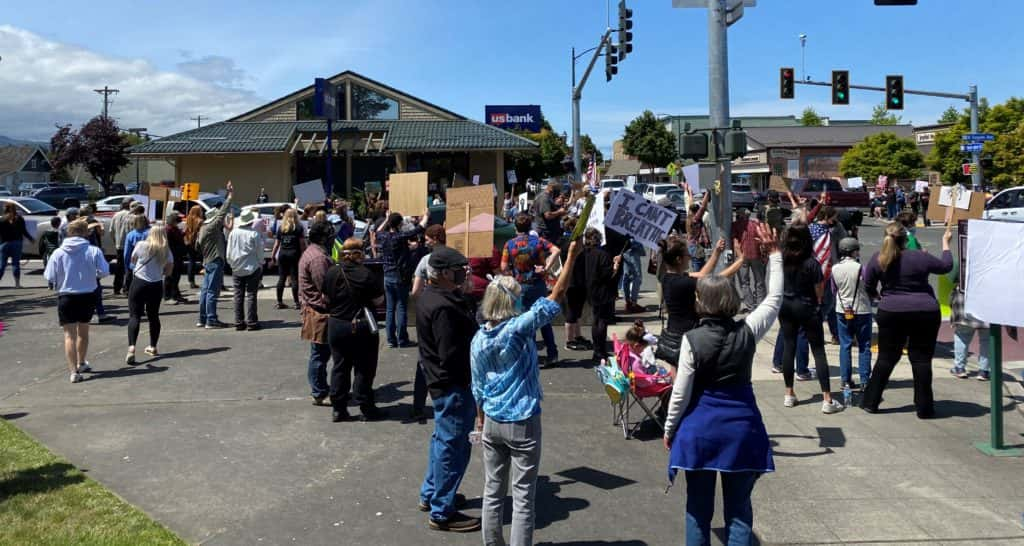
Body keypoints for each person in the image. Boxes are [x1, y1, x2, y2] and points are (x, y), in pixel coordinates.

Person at [662, 223, 781, 546]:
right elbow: (774, 298)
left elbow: (681, 393)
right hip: (742, 429)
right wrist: (776, 256)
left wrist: (670, 428)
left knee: (698, 510)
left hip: (700, 429)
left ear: (702, 303)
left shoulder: (692, 339)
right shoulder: (747, 331)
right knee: (739, 510)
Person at [471, 240, 581, 546]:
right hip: (522, 420)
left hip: (491, 420)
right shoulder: (518, 329)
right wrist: (570, 257)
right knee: (522, 497)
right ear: (510, 304)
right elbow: (555, 296)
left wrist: (480, 422)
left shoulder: (478, 339)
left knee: (493, 492)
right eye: (518, 299)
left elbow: (477, 387)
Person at [416, 246, 480, 532]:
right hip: (452, 384)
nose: (462, 274)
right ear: (441, 273)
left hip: (441, 382)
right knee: (453, 447)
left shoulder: (435, 296)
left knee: (442, 442)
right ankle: (442, 510)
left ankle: (432, 494)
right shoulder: (443, 305)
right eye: (457, 270)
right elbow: (452, 354)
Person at [861, 223, 954, 418]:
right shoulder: (920, 256)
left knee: (886, 357)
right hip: (925, 310)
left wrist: (878, 297)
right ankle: (924, 407)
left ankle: (871, 402)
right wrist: (945, 243)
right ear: (906, 239)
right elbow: (946, 266)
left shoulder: (879, 258)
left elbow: (868, 284)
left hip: (892, 310)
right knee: (921, 359)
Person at [779, 225, 843, 413]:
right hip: (806, 305)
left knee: (789, 347)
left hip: (787, 303)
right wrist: (819, 303)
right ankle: (827, 398)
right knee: (818, 351)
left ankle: (789, 393)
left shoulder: (783, 258)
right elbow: (819, 289)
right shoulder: (811, 262)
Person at [323, 237, 385, 422]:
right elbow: (378, 301)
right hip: (361, 325)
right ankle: (366, 407)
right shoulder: (366, 274)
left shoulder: (332, 272)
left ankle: (338, 408)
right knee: (364, 367)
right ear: (360, 253)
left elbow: (325, 298)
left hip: (337, 324)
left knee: (339, 366)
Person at [44, 219, 110, 383]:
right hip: (87, 294)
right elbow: (104, 271)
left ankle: (73, 371)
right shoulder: (93, 250)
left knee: (69, 335)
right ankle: (81, 362)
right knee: (84, 333)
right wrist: (92, 275)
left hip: (66, 295)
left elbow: (49, 276)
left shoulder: (58, 252)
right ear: (85, 233)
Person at [500, 213, 561, 366]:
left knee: (525, 320)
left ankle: (530, 354)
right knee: (543, 318)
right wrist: (546, 267)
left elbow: (503, 267)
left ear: (516, 227)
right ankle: (552, 353)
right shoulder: (539, 241)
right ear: (530, 227)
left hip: (520, 285)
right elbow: (556, 250)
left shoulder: (509, 244)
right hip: (538, 283)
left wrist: (511, 275)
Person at [376, 210, 429, 348]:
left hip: (387, 275)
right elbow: (420, 228)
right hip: (400, 276)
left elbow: (377, 230)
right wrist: (426, 216)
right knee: (401, 307)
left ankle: (390, 340)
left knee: (390, 309)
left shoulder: (384, 236)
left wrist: (386, 219)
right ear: (399, 224)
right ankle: (402, 339)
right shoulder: (400, 236)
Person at [299, 221, 336, 406]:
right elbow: (326, 287)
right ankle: (319, 391)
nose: (333, 238)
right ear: (322, 237)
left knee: (320, 354)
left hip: (316, 309)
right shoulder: (318, 258)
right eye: (330, 235)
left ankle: (321, 388)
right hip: (319, 312)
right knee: (319, 355)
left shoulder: (314, 252)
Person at [126, 224, 174, 365]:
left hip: (139, 282)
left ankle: (131, 347)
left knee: (135, 315)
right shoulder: (166, 250)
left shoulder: (141, 245)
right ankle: (153, 346)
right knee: (153, 316)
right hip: (156, 284)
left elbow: (133, 261)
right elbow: (169, 271)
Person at [832, 237, 872, 390]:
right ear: (853, 251)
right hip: (861, 309)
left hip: (842, 309)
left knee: (845, 345)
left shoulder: (835, 268)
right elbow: (869, 286)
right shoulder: (861, 268)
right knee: (864, 345)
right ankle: (864, 380)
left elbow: (834, 289)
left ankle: (845, 380)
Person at [580, 227, 621, 361]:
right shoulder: (602, 254)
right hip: (603, 291)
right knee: (602, 321)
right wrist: (615, 265)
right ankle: (600, 350)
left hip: (590, 289)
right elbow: (608, 274)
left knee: (596, 319)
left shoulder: (585, 253)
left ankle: (597, 350)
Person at [196, 182, 234, 329]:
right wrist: (230, 196)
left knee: (205, 291)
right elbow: (222, 213)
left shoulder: (203, 228)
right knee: (212, 291)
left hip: (207, 260)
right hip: (215, 260)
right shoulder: (212, 227)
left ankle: (203, 317)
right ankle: (211, 319)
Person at [810, 206, 848, 344]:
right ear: (827, 217)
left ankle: (837, 334)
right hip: (823, 271)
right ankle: (814, 330)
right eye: (834, 217)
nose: (836, 220)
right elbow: (844, 242)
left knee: (831, 304)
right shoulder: (828, 231)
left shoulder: (814, 229)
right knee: (827, 304)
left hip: (820, 270)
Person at [949, 258, 989, 380]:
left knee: (962, 336)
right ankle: (984, 370)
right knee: (986, 339)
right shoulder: (991, 258)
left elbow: (953, 277)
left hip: (964, 300)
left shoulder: (964, 258)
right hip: (987, 301)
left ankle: (960, 368)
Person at [226, 209, 265, 331]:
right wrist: (261, 262)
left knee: (238, 295)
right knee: (251, 295)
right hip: (252, 266)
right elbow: (260, 251)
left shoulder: (233, 233)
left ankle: (239, 321)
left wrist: (231, 263)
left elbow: (229, 251)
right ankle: (252, 322)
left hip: (237, 267)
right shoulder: (254, 234)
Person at [732, 208, 765, 311]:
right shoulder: (756, 224)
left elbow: (735, 243)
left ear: (740, 215)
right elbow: (761, 240)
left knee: (744, 282)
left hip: (742, 256)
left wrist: (739, 256)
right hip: (756, 255)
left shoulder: (735, 225)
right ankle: (760, 305)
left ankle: (751, 306)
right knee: (759, 281)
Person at [271, 208, 304, 310]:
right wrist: (304, 254)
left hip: (283, 254)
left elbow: (277, 244)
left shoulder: (281, 228)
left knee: (282, 277)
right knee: (294, 278)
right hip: (294, 253)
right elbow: (301, 243)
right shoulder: (298, 228)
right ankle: (296, 302)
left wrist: (273, 255)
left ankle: (279, 301)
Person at [0, 202, 34, 288]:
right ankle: (17, 284)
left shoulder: (2, 219)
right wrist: (31, 239)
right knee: (15, 264)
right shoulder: (19, 219)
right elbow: (24, 231)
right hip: (17, 243)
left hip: (4, 243)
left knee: (2, 264)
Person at [683, 186, 710, 271]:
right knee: (698, 268)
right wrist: (707, 192)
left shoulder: (689, 215)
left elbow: (691, 203)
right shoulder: (695, 219)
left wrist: (690, 192)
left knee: (697, 264)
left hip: (692, 245)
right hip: (696, 247)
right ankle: (697, 283)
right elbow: (703, 207)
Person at [109, 199, 134, 295]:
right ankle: (127, 288)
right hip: (129, 245)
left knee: (119, 268)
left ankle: (116, 288)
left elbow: (111, 231)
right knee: (129, 267)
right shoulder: (131, 216)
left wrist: (116, 241)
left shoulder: (116, 215)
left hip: (119, 245)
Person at [164, 213, 188, 304]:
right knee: (170, 277)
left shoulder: (174, 228)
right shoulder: (168, 230)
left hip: (178, 255)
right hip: (173, 255)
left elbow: (179, 236)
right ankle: (168, 296)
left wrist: (183, 233)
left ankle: (176, 294)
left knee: (176, 276)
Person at [621, 237, 646, 314]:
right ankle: (633, 303)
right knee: (636, 278)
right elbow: (642, 252)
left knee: (626, 277)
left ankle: (628, 302)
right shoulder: (634, 240)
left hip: (625, 253)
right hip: (633, 255)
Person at [183, 205, 204, 290]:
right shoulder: (200, 221)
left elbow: (185, 230)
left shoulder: (187, 219)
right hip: (197, 243)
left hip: (188, 242)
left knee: (191, 261)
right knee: (203, 261)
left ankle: (191, 281)